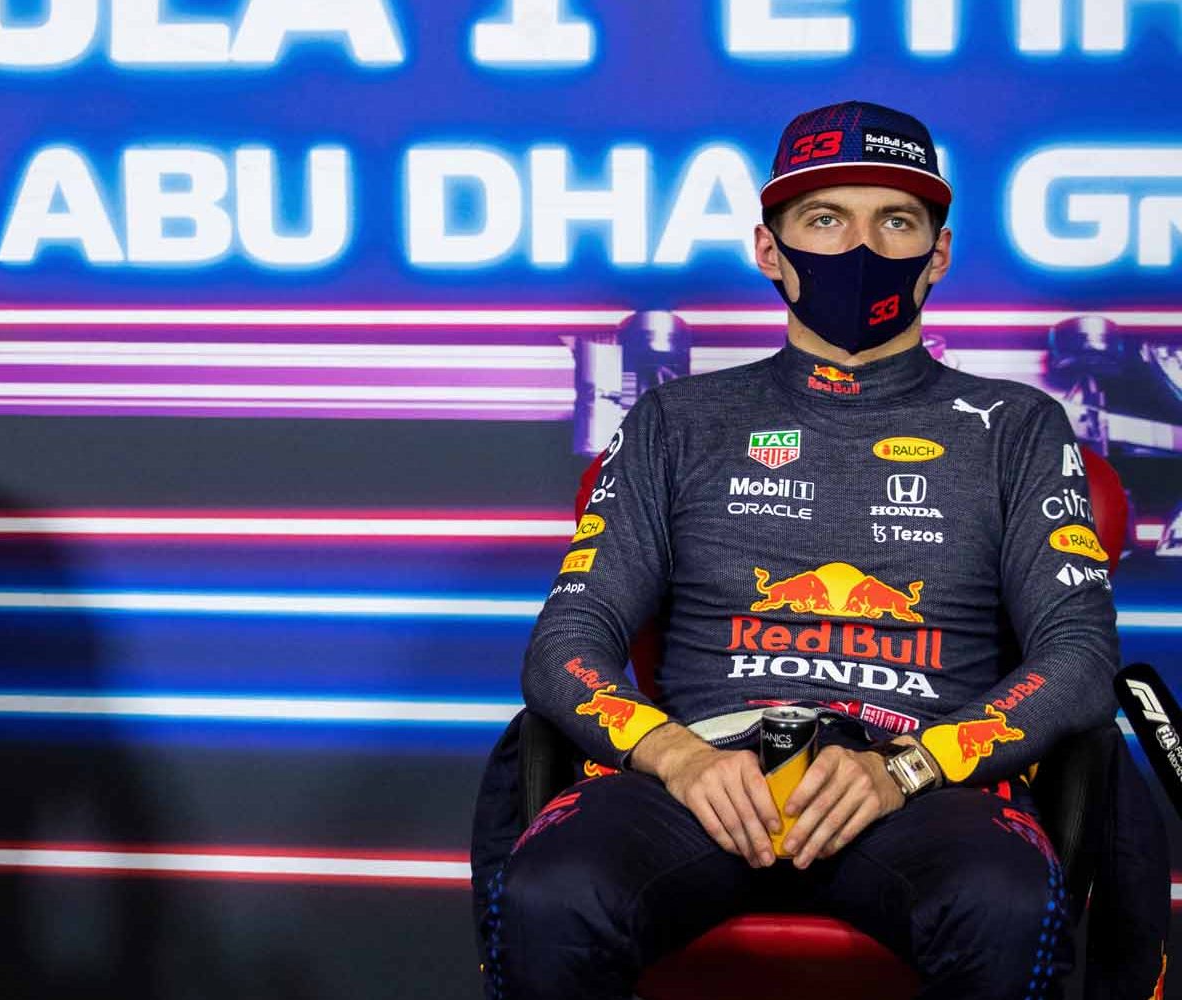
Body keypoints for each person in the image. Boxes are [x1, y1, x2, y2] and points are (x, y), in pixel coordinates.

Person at [480, 101, 1165, 998]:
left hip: (921, 784)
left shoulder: (1020, 427)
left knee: (1004, 900)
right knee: (552, 890)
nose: (862, 247)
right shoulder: (673, 423)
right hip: (703, 778)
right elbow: (567, 645)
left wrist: (908, 769)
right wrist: (678, 758)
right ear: (770, 249)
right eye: (825, 218)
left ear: (939, 252)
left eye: (897, 221)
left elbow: (1078, 659)